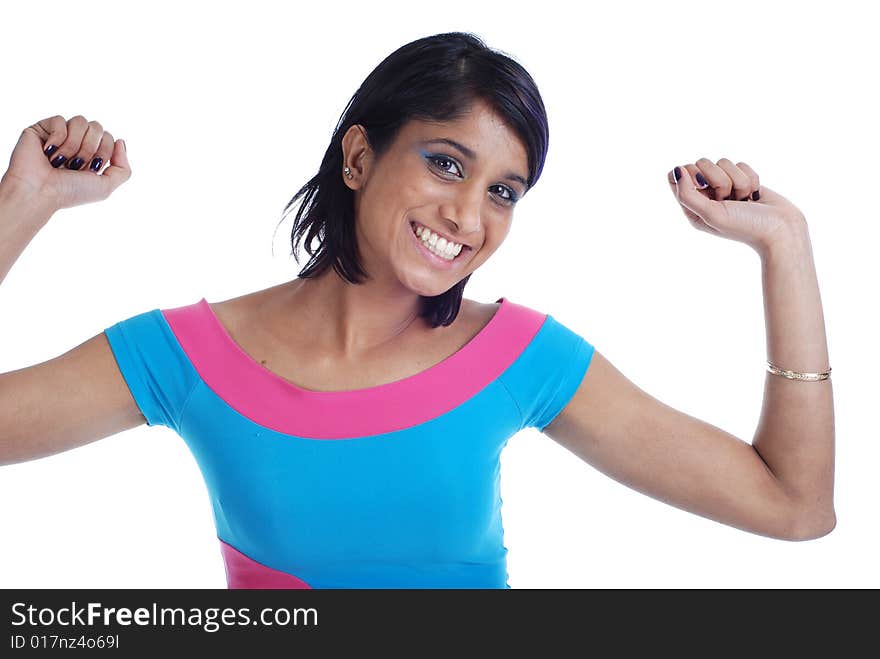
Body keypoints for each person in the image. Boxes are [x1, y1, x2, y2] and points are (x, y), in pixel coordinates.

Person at [0, 32, 835, 589]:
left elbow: (793, 506)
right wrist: (21, 205)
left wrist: (785, 245)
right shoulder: (182, 356)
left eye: (502, 192)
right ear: (359, 156)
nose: (469, 218)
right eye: (445, 163)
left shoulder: (519, 357)